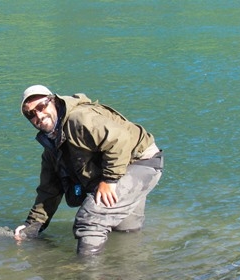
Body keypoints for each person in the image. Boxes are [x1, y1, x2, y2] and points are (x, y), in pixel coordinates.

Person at [14, 85, 164, 256]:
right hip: (119, 166)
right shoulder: (51, 149)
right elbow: (49, 190)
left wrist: (110, 181)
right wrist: (32, 226)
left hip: (141, 161)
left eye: (41, 106)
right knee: (124, 230)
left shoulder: (79, 119)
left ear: (53, 101)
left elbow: (120, 139)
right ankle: (128, 276)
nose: (39, 115)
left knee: (90, 219)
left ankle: (87, 278)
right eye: (31, 114)